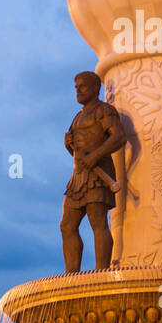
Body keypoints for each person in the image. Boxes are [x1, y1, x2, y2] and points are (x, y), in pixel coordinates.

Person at [60, 72, 125, 273]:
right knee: (67, 225)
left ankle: (101, 271)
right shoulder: (78, 117)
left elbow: (119, 137)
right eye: (76, 86)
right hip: (79, 176)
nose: (78, 90)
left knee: (98, 221)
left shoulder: (104, 111)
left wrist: (95, 155)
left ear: (96, 89)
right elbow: (77, 151)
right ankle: (71, 274)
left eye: (82, 86)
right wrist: (68, 145)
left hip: (99, 174)